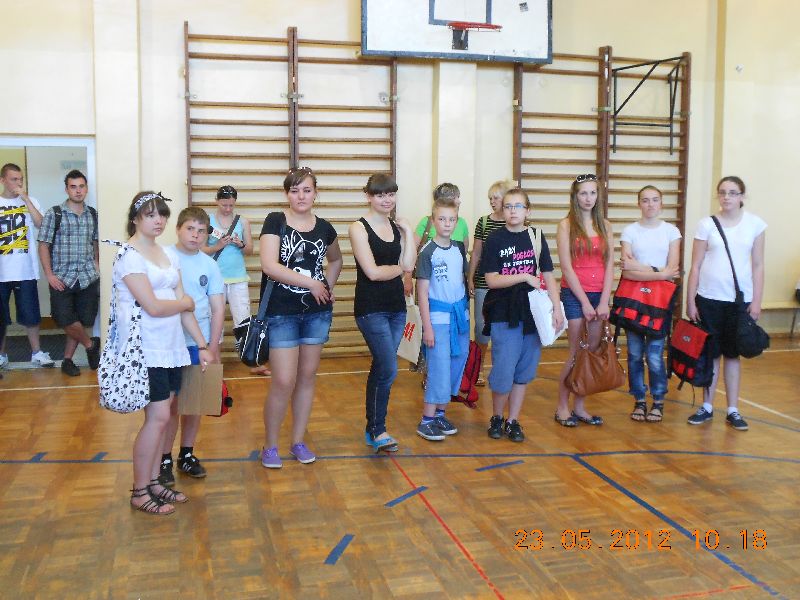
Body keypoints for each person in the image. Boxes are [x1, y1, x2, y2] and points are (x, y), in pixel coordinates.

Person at [114, 191, 213, 515]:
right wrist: (184, 303)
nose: (158, 220)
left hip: (171, 347)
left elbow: (184, 308)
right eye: (150, 214)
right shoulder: (129, 255)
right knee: (157, 418)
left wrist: (201, 344)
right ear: (135, 218)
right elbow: (154, 306)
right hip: (146, 349)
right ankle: (139, 490)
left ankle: (154, 481)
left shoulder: (166, 254)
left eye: (162, 214)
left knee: (164, 416)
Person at [259, 167, 343, 468]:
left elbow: (336, 259)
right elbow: (269, 265)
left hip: (316, 314)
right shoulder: (275, 221)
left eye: (306, 190)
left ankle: (297, 441)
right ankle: (270, 446)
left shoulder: (325, 227)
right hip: (282, 312)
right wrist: (312, 283)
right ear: (287, 194)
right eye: (294, 191)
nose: (301, 196)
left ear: (315, 193)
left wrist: (327, 288)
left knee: (307, 377)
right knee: (283, 380)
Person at [481, 188, 562, 441]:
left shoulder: (536, 236)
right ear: (502, 210)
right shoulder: (494, 239)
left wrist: (556, 307)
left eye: (518, 206)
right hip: (504, 312)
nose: (513, 211)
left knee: (524, 370)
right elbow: (492, 280)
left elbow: (548, 274)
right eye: (508, 206)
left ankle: (513, 420)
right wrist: (524, 276)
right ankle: (497, 416)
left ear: (528, 211)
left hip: (532, 314)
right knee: (503, 369)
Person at [685, 176, 766, 431]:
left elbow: (758, 265)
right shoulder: (706, 224)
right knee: (711, 354)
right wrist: (690, 300)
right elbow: (695, 266)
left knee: (732, 354)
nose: (727, 197)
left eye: (732, 192)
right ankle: (707, 406)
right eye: (722, 192)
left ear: (742, 196)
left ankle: (733, 409)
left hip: (739, 302)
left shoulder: (755, 225)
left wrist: (757, 301)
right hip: (708, 299)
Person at [350, 174, 416, 452]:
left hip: (396, 307)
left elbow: (410, 263)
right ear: (369, 196)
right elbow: (373, 272)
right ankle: (378, 429)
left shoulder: (397, 227)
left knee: (381, 366)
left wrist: (409, 233)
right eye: (380, 195)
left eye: (390, 194)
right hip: (370, 308)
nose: (386, 200)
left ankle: (374, 429)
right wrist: (400, 269)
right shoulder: (358, 228)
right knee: (388, 367)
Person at [159, 207, 224, 486]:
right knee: (170, 406)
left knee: (194, 404)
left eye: (201, 231)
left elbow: (218, 308)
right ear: (178, 229)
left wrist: (212, 346)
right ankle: (163, 458)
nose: (195, 235)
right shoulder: (164, 258)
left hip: (200, 344)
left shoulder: (209, 265)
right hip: (169, 343)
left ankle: (186, 454)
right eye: (190, 229)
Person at [555, 174, 615, 427]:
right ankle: (562, 406)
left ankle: (580, 405)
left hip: (598, 295)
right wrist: (585, 303)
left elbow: (609, 265)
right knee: (575, 352)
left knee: (590, 351)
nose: (588, 198)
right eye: (583, 193)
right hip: (574, 294)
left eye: (592, 193)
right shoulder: (566, 225)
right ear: (575, 196)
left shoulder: (605, 226)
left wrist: (604, 301)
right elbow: (567, 268)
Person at [619, 186, 681, 422]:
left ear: (661, 203)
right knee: (635, 354)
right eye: (645, 200)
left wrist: (644, 269)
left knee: (654, 355)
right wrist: (659, 273)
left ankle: (658, 400)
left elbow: (672, 270)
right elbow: (628, 271)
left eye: (655, 200)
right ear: (639, 204)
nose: (650, 204)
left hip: (660, 302)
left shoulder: (671, 231)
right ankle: (639, 400)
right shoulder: (630, 231)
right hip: (634, 300)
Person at [36, 169, 101, 376]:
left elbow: (95, 242)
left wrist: (97, 264)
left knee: (81, 320)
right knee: (63, 318)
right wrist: (49, 275)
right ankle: (91, 345)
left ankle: (67, 360)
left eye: (81, 186)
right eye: (73, 187)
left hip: (87, 277)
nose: (78, 191)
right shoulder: (54, 214)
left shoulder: (93, 214)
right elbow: (43, 245)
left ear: (86, 189)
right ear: (66, 190)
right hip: (62, 278)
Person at [415, 195, 469, 441]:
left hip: (459, 317)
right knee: (439, 367)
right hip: (438, 318)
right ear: (434, 221)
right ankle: (426, 419)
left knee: (457, 362)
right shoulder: (428, 252)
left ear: (457, 222)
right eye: (442, 219)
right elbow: (423, 292)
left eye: (452, 220)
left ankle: (440, 414)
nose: (447, 224)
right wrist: (427, 327)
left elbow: (462, 282)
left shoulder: (459, 248)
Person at [203, 185, 266, 375]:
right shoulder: (207, 220)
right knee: (215, 322)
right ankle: (215, 365)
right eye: (224, 205)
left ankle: (253, 362)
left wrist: (240, 244)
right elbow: (200, 250)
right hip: (215, 279)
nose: (228, 208)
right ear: (216, 201)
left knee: (244, 321)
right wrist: (218, 246)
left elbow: (250, 250)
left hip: (238, 277)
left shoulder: (242, 221)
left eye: (231, 205)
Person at [0, 163, 55, 368]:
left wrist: (26, 199)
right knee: (1, 318)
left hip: (25, 270)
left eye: (21, 179)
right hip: (2, 271)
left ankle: (36, 352)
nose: (18, 183)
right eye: (14, 179)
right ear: (3, 180)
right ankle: (1, 355)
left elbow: (41, 224)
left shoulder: (31, 201)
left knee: (31, 315)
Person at [467, 180, 514, 386]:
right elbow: (476, 253)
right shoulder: (484, 222)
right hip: (483, 282)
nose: (492, 202)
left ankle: (501, 369)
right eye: (490, 198)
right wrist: (470, 277)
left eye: (496, 198)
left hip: (507, 283)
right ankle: (479, 367)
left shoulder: (513, 223)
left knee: (503, 328)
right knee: (481, 327)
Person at [403, 183, 470, 297]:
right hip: (430, 285)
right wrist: (408, 278)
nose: (459, 201)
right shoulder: (427, 222)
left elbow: (463, 252)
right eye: (456, 197)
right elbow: (412, 251)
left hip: (456, 287)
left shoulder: (462, 222)